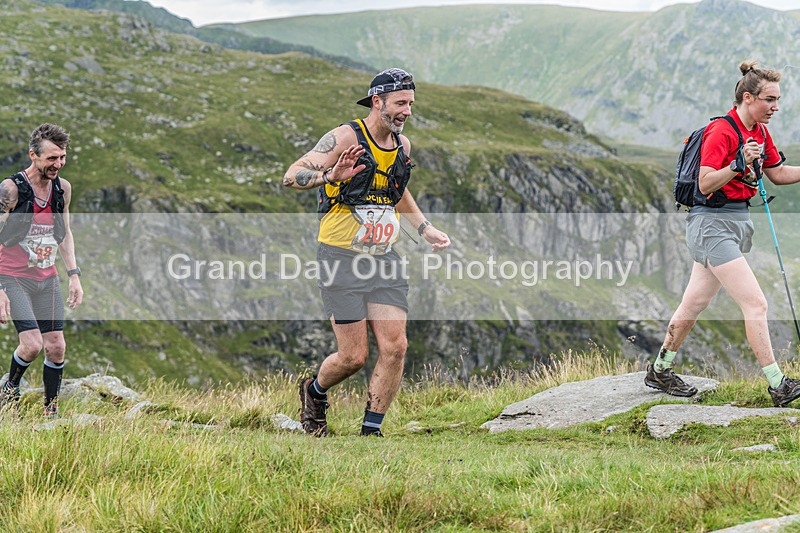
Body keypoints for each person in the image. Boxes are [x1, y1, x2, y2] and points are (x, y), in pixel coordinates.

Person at [283, 68, 450, 436]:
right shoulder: (345, 137)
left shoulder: (403, 147)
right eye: (400, 103)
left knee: (395, 347)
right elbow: (292, 175)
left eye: (411, 103)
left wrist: (425, 228)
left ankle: (371, 432)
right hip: (340, 258)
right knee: (353, 357)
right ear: (378, 102)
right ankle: (314, 391)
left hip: (384, 258)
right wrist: (330, 177)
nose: (407, 111)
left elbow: (397, 191)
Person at [645, 60, 800, 407]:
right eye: (770, 99)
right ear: (748, 97)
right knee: (756, 303)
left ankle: (660, 369)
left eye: (777, 100)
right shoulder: (722, 131)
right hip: (711, 225)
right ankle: (778, 385)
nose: (776, 107)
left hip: (735, 222)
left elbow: (778, 174)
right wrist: (737, 164)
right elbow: (705, 182)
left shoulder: (760, 132)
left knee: (694, 303)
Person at [0, 123, 84, 417]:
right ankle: (10, 387)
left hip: (47, 279)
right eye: (51, 158)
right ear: (33, 155)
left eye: (62, 157)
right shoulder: (11, 190)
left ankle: (51, 412)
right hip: (13, 278)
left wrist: (74, 275)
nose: (57, 164)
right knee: (32, 345)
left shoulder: (62, 189)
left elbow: (65, 233)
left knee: (56, 347)